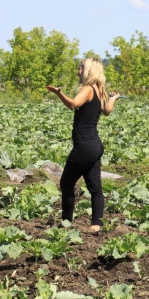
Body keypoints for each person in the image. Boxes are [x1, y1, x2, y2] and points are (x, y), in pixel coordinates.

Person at [46, 58, 121, 234]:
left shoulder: (87, 89)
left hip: (84, 147)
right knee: (95, 187)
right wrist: (114, 98)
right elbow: (107, 111)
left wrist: (59, 93)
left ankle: (66, 222)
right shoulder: (100, 91)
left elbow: (73, 104)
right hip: (95, 146)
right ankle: (96, 224)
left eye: (80, 68)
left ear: (88, 71)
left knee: (66, 182)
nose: (78, 71)